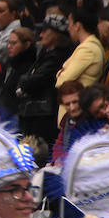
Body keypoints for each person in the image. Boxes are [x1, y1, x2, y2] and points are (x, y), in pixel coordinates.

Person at [17, 14, 74, 146]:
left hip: (46, 115)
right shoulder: (44, 53)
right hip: (34, 113)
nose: (40, 35)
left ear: (56, 34)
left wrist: (26, 80)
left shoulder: (58, 56)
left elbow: (34, 79)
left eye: (45, 31)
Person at [57, 7, 105, 121]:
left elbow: (62, 81)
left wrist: (61, 73)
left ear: (77, 25)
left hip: (79, 112)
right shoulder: (86, 46)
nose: (68, 28)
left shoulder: (88, 49)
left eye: (70, 23)